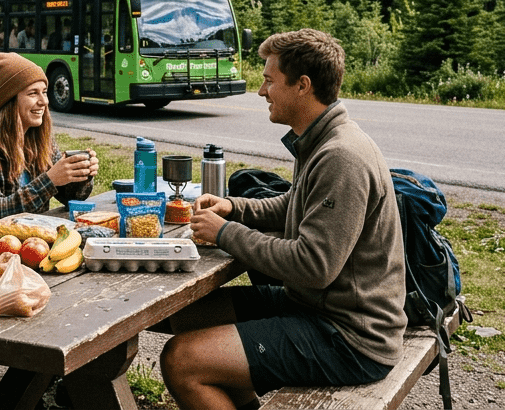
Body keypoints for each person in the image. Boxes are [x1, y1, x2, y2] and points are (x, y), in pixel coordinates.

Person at [159, 29, 406, 409]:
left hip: (349, 335)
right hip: (314, 306)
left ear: (302, 86)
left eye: (269, 80)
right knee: (189, 315)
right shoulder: (322, 138)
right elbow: (294, 204)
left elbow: (313, 266)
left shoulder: (342, 156)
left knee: (182, 360)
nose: (261, 92)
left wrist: (226, 232)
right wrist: (233, 207)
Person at [0, 53, 99, 234]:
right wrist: (50, 180)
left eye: (44, 92)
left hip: (24, 242)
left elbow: (72, 198)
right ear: (10, 99)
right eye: (33, 93)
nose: (44, 101)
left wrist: (81, 175)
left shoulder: (38, 138)